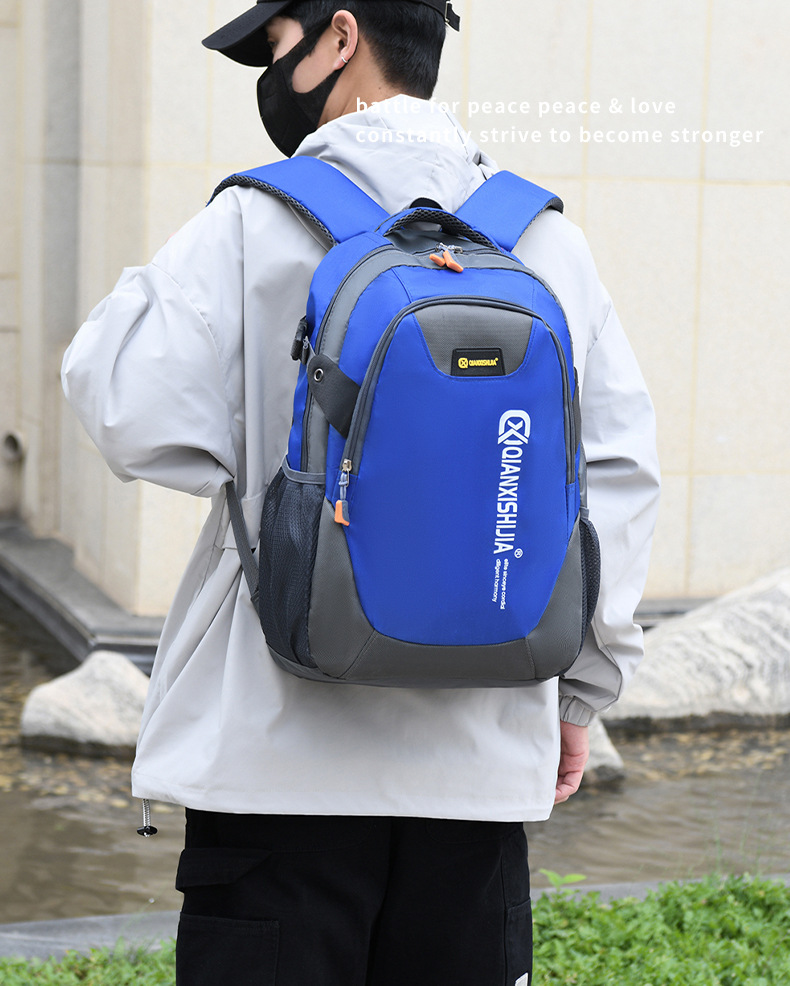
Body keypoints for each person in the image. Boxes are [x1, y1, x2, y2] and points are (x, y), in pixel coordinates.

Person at [62, 1, 660, 983]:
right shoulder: (545, 239)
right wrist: (582, 694)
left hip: (272, 766)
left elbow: (120, 401)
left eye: (276, 45)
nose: (271, 73)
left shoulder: (254, 219)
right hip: (478, 768)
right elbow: (617, 482)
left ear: (340, 37)